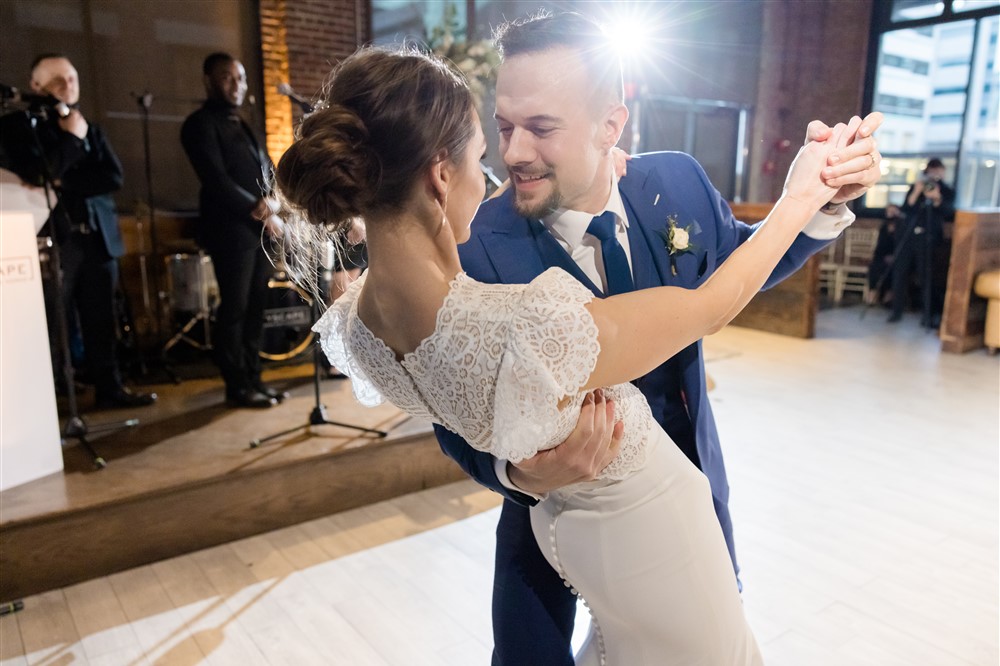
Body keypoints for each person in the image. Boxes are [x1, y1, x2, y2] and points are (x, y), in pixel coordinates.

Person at [274, 37, 882, 664]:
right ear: (440, 172)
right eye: (501, 129)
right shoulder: (473, 249)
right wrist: (517, 473)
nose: (512, 155)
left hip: (683, 522)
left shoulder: (673, 181)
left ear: (609, 126)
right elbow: (451, 404)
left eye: (541, 128)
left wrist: (822, 201)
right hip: (548, 537)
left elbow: (738, 262)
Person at [0, 54, 156, 410]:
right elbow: (37, 174)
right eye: (58, 81)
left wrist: (61, 177)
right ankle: (50, 398)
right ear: (37, 86)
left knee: (102, 320)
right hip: (56, 238)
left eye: (72, 78)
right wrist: (71, 143)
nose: (69, 85)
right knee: (55, 321)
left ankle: (110, 388)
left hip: (98, 237)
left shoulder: (89, 126)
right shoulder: (21, 126)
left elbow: (112, 177)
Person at [181, 52, 288, 408]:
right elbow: (215, 180)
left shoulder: (245, 126)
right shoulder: (199, 125)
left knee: (257, 305)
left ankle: (255, 377)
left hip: (258, 231)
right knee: (236, 308)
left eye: (240, 78)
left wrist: (274, 201)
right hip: (231, 233)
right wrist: (259, 210)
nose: (236, 85)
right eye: (227, 77)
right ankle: (236, 384)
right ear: (208, 80)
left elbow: (269, 172)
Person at [888, 158, 955, 326]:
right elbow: (906, 208)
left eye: (938, 171)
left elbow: (949, 213)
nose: (934, 174)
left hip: (930, 237)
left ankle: (927, 315)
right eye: (931, 171)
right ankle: (896, 311)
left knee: (926, 276)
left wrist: (937, 198)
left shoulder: (946, 190)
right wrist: (916, 192)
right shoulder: (917, 185)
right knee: (900, 272)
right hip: (909, 235)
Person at [866, 203, 901, 306]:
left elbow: (898, 244)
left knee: (891, 269)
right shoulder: (884, 226)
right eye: (888, 211)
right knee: (875, 267)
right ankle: (872, 294)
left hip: (895, 256)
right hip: (881, 255)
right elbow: (881, 245)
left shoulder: (901, 225)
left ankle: (888, 296)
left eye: (892, 211)